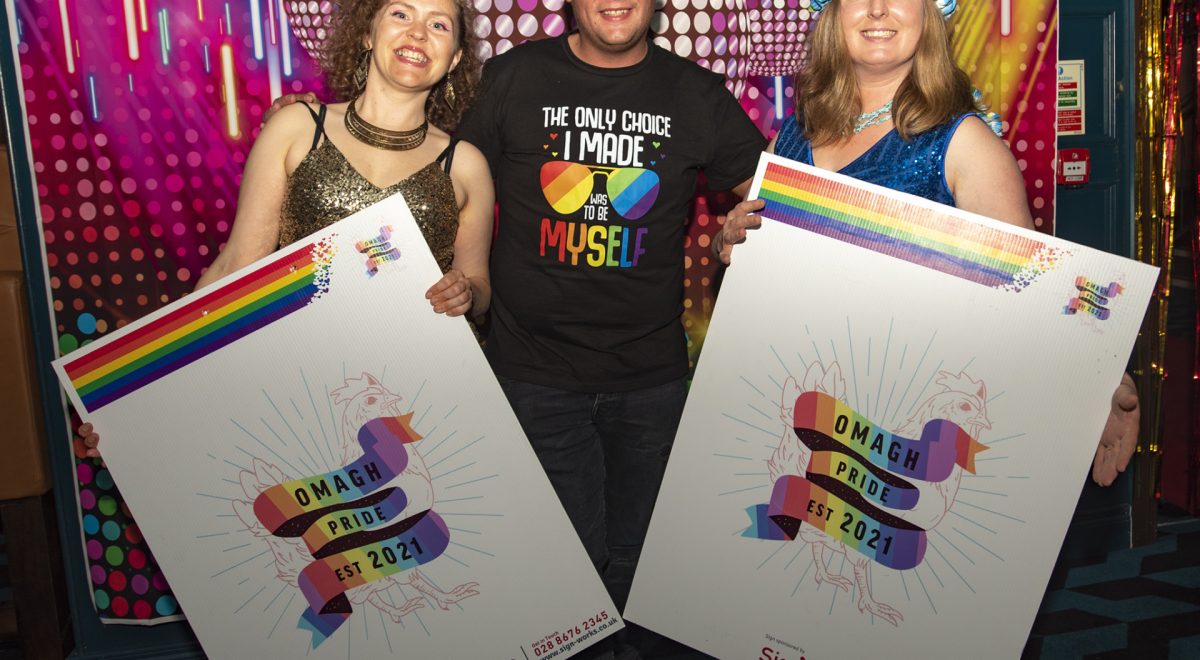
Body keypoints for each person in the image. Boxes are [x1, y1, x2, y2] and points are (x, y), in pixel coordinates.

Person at [714, 0, 1141, 488]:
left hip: (902, 434)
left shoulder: (965, 143)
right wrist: (730, 242)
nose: (876, 9)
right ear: (832, 14)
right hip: (799, 411)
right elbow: (754, 264)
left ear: (930, 13)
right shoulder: (792, 134)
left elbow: (1029, 295)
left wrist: (1097, 383)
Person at [451, 0, 768, 627]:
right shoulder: (512, 78)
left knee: (643, 570)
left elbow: (782, 192)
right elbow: (439, 168)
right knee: (556, 575)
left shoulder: (695, 93)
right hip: (531, 373)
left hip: (648, 378)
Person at [79, 0, 495, 452]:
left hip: (415, 386)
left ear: (454, 58)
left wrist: (466, 292)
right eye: (400, 14)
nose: (417, 33)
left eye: (438, 24)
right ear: (367, 34)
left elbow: (479, 287)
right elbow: (236, 265)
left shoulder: (466, 165)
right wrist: (143, 396)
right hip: (298, 378)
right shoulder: (297, 127)